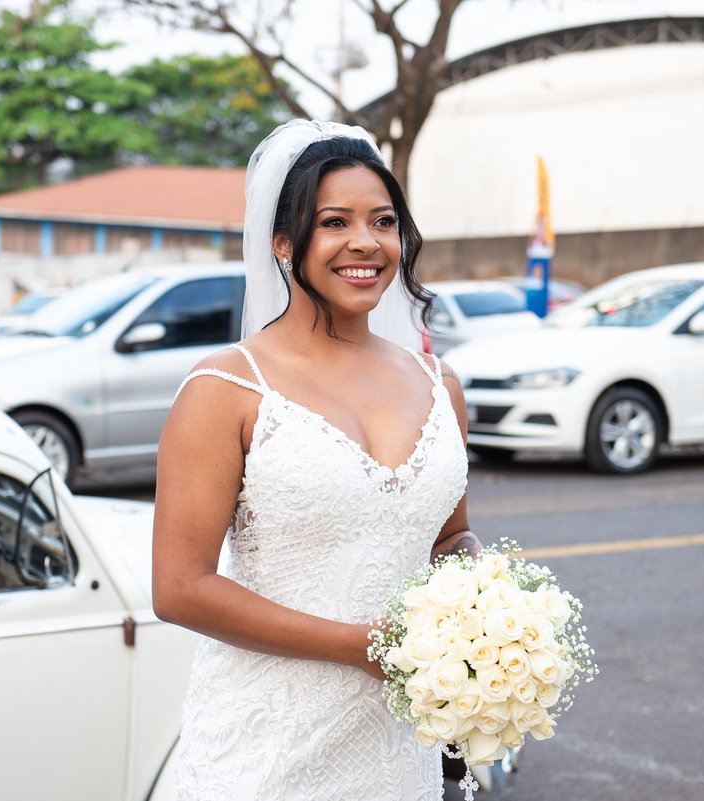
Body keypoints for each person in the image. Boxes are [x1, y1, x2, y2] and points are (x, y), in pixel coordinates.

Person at [152, 119, 484, 800]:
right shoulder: (226, 389)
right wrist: (359, 645)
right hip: (263, 755)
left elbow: (449, 536)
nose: (365, 242)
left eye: (384, 221)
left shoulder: (438, 385)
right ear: (282, 242)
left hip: (395, 752)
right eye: (335, 222)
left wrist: (485, 609)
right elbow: (179, 586)